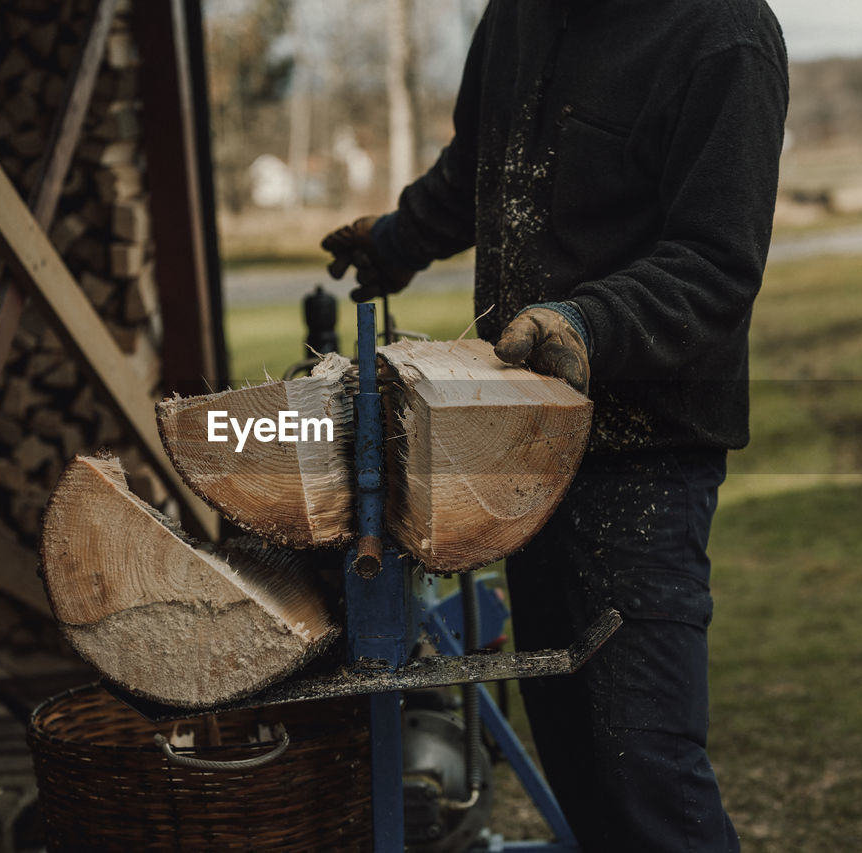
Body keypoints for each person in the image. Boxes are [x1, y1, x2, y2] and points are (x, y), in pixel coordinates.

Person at [322, 0, 788, 849]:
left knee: (643, 765)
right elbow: (481, 167)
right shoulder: (521, 15)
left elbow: (717, 265)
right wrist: (396, 241)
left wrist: (586, 323)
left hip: (643, 455)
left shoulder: (724, 34)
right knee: (574, 752)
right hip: (521, 450)